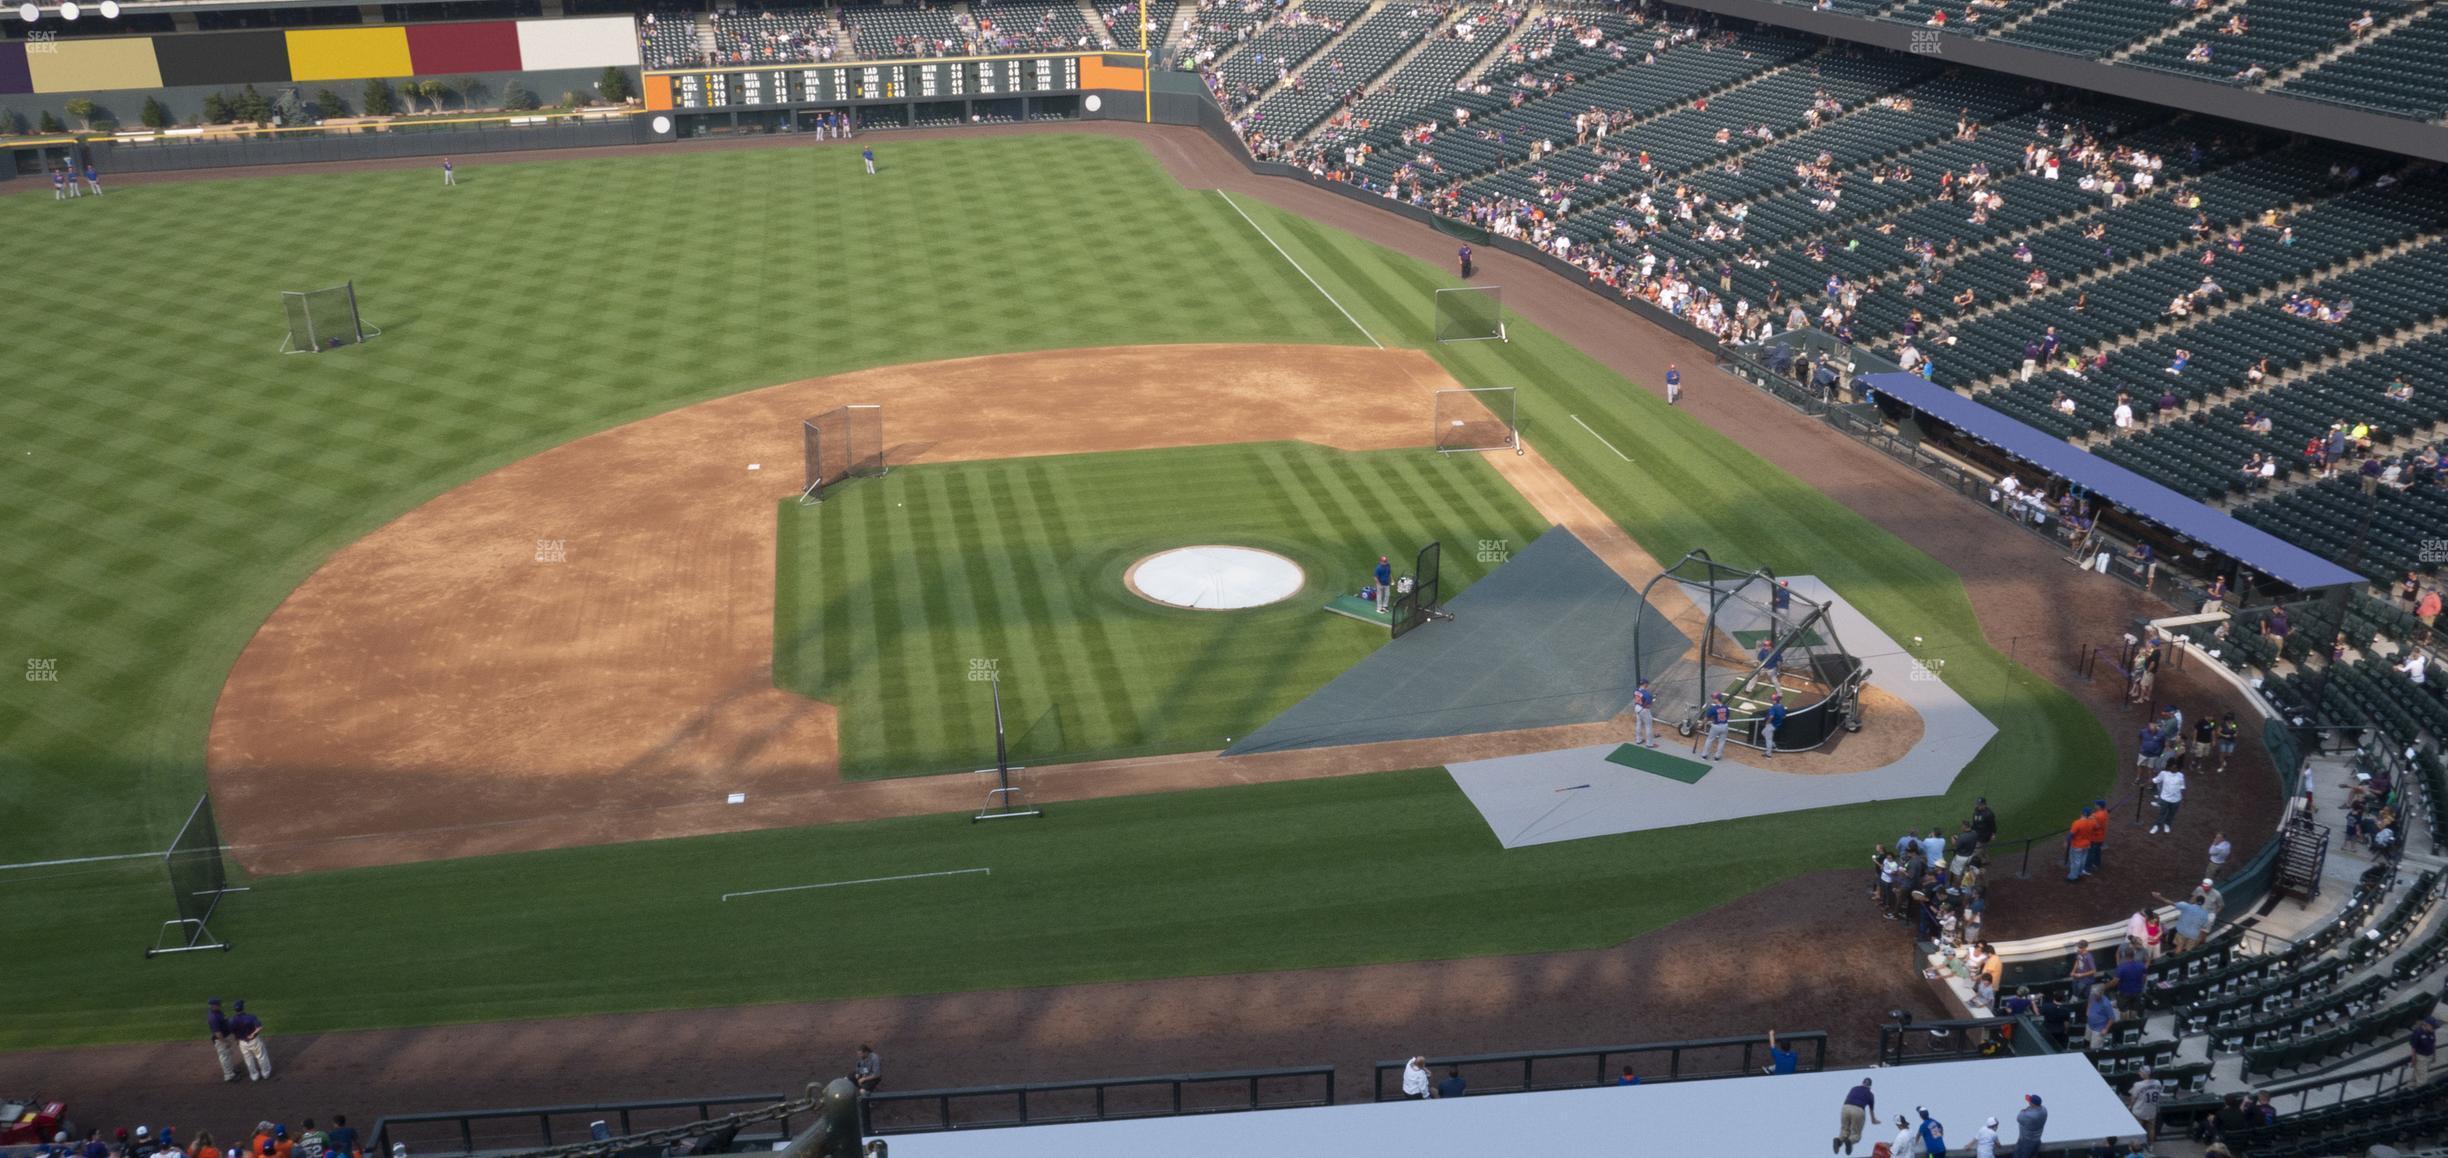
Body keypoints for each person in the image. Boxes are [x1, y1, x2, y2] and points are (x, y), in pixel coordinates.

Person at [230, 1000, 270, 1080]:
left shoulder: (232, 1020)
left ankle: (254, 1076)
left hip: (242, 1043)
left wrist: (237, 1040)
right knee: (261, 1057)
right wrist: (252, 1034)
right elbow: (259, 1027)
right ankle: (265, 1074)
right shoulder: (251, 1017)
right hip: (254, 1041)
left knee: (248, 1059)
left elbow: (233, 1031)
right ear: (243, 1008)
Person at [1836, 1077, 1875, 1154]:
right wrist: (1874, 1120)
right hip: (1858, 1110)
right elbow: (1871, 1110)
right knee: (1856, 1134)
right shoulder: (1870, 1094)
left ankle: (1839, 1140)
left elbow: (1847, 1099)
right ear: (1870, 1086)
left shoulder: (1854, 1088)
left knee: (1844, 1129)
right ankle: (1849, 1141)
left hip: (1845, 1108)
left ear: (1862, 1083)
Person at [2127, 1066, 2164, 1141]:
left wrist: (2130, 1106)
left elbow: (2133, 1098)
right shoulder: (2158, 1082)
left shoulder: (2138, 1084)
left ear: (2145, 1074)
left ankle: (2137, 1146)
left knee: (2138, 1131)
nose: (2139, 1073)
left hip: (2139, 1111)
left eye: (2140, 1072)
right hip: (2152, 1111)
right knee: (2151, 1130)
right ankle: (2151, 1146)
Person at [206, 997, 238, 1083]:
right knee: (224, 1057)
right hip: (220, 1040)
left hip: (225, 1037)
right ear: (213, 1006)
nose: (220, 1006)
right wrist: (224, 1041)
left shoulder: (217, 1012)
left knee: (229, 1055)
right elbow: (217, 1033)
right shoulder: (213, 1017)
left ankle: (231, 1070)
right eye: (218, 1004)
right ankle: (229, 1075)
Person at [2150, 764, 2186, 834]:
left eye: (2176, 767)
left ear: (2178, 769)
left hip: (2176, 800)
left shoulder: (2181, 775)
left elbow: (2182, 787)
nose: (2174, 768)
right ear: (2169, 767)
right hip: (2165, 799)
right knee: (2162, 813)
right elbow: (2156, 780)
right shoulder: (2164, 773)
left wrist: (2184, 799)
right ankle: (2157, 825)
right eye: (2172, 766)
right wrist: (2145, 783)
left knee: (2172, 814)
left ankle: (2167, 824)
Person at [2012, 1094, 2046, 1158]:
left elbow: (2019, 1117)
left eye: (2030, 1102)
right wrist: (2029, 1109)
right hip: (2037, 1140)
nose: (2028, 1103)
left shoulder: (2029, 1116)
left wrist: (2025, 1110)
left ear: (2033, 1104)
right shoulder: (2044, 1111)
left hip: (2025, 1142)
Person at [1701, 692, 1732, 760]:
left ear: (1717, 699)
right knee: (1722, 741)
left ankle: (1704, 755)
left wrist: (1701, 724)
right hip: (1725, 726)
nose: (1713, 699)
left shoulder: (1713, 708)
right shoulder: (1726, 707)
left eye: (1714, 698)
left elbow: (1706, 718)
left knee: (1709, 740)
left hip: (1716, 726)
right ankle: (1717, 757)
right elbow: (1728, 716)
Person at [1633, 679, 1659, 747]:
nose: (1648, 685)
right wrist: (1652, 699)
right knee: (1648, 726)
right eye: (1647, 683)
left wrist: (1650, 698)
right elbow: (1648, 705)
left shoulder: (1636, 690)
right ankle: (1649, 744)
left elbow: (1639, 698)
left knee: (1639, 723)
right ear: (1644, 684)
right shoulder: (1646, 694)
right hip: (1644, 710)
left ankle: (1638, 740)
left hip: (1636, 708)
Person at [2414, 1016, 2439, 1083]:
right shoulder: (2418, 1032)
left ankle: (2411, 1087)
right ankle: (2419, 1091)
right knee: (2422, 1079)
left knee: (2419, 1074)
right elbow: (2413, 1047)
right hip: (2421, 1057)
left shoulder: (2432, 1032)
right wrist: (2413, 1059)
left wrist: (2434, 1056)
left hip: (2429, 1056)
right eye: (2433, 1027)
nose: (2434, 1028)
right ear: (2427, 1025)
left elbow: (2433, 1044)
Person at [1764, 693, 1787, 757]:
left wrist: (1767, 723)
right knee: (1763, 733)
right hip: (1777, 725)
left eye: (1772, 700)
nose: (1771, 701)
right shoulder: (1781, 706)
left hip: (1771, 725)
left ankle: (1768, 754)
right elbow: (1784, 717)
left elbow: (1771, 716)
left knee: (1768, 739)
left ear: (1775, 701)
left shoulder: (1773, 708)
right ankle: (1773, 746)